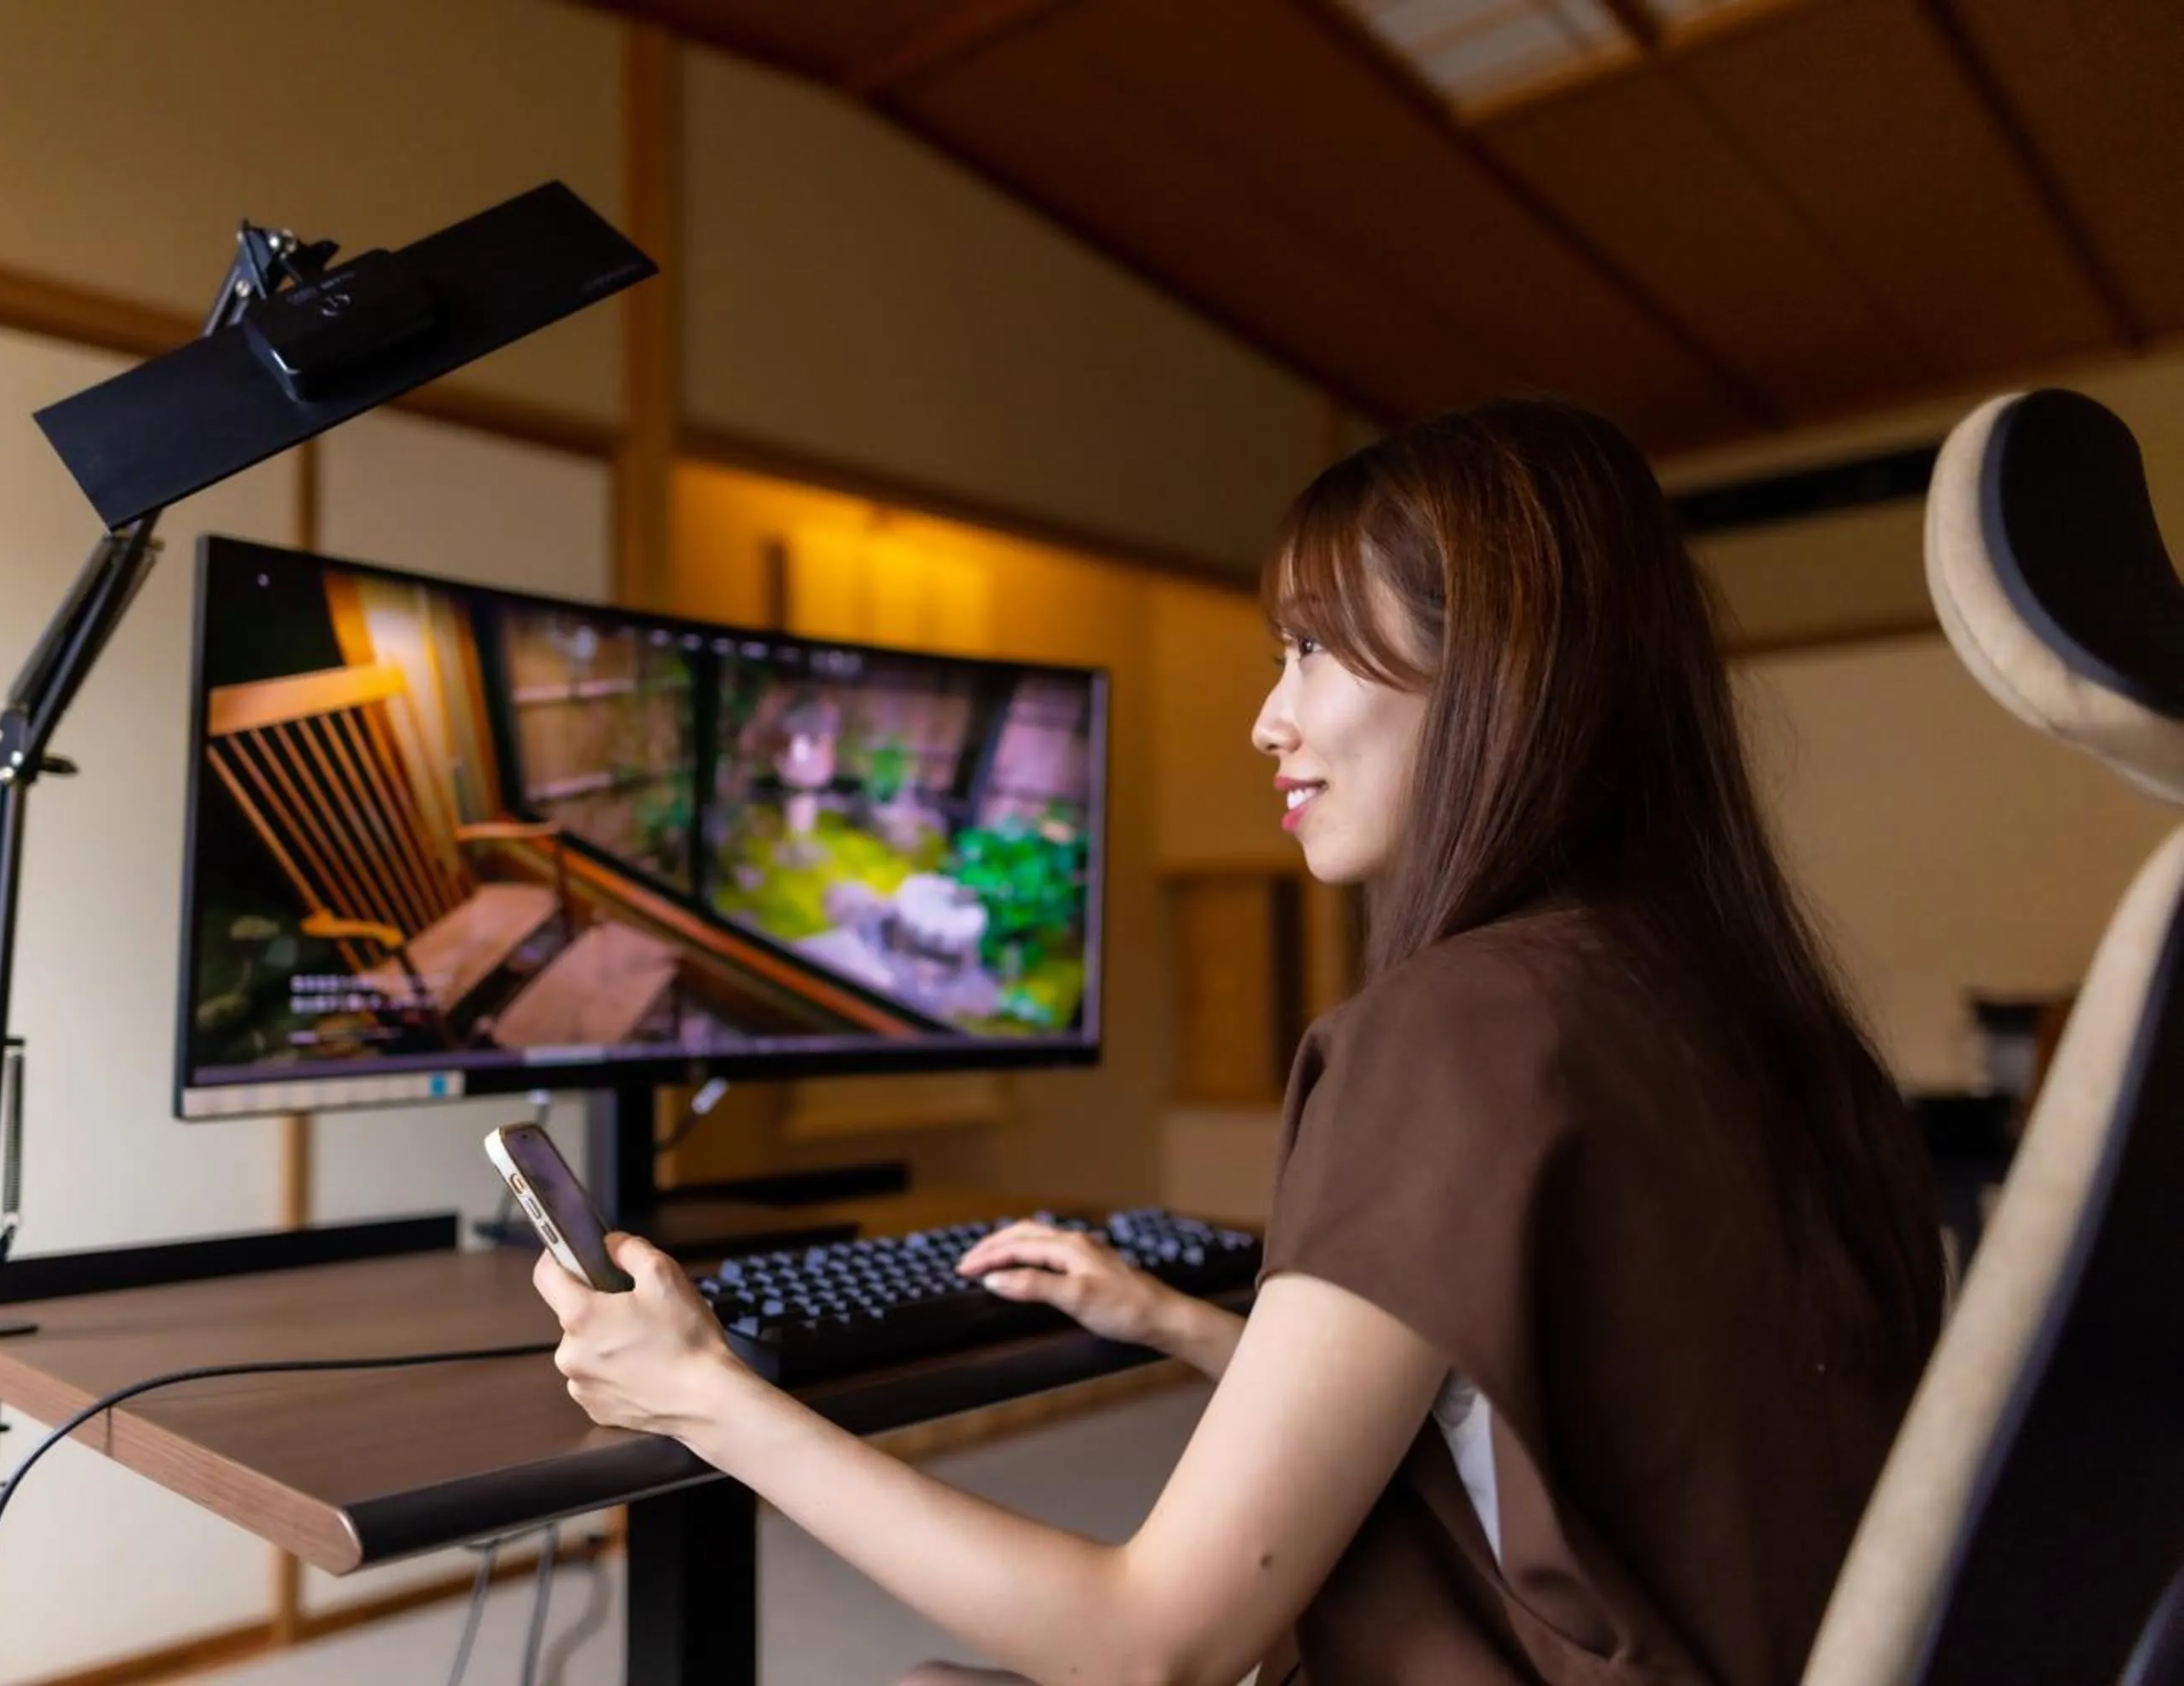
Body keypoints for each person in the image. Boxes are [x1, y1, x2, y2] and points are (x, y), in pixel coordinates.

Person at [532, 400, 1945, 1685]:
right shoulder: (1762, 1018)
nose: (1269, 720)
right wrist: (1184, 1323)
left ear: (1501, 670)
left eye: (1313, 650)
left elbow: (1153, 1645)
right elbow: (1580, 1433)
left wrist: (702, 1397)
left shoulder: (1461, 1029)